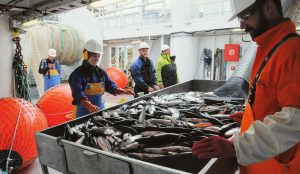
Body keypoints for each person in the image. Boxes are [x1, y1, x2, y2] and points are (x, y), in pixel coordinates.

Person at [192, 0, 300, 173]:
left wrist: (235, 146)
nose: (242, 25)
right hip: (261, 165)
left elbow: (294, 121)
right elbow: (278, 103)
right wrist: (252, 116)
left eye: (245, 16)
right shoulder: (272, 47)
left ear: (269, 7)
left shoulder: (291, 52)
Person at [68, 39, 134, 118]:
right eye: (94, 56)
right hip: (83, 113)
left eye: (98, 56)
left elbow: (110, 86)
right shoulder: (77, 74)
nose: (97, 58)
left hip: (99, 110)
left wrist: (122, 90)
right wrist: (87, 104)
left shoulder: (101, 72)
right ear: (86, 54)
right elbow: (77, 93)